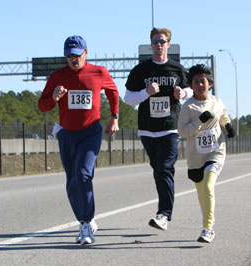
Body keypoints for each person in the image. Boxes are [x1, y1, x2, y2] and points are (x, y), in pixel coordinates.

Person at [38, 35, 119, 245]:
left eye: (76, 55)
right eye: (69, 56)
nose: (73, 60)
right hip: (67, 134)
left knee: (83, 174)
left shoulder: (99, 72)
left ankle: (85, 223)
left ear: (85, 53)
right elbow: (42, 105)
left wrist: (114, 118)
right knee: (72, 182)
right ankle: (86, 219)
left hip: (91, 132)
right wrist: (54, 97)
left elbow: (112, 92)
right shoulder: (57, 76)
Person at [124, 28, 192, 230]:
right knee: (158, 170)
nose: (159, 45)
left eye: (162, 41)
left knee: (164, 169)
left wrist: (183, 93)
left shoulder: (178, 69)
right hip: (147, 129)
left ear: (168, 44)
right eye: (155, 42)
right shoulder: (141, 70)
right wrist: (146, 92)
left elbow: (192, 90)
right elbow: (128, 98)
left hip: (170, 128)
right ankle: (164, 209)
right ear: (151, 44)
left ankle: (163, 214)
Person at [178, 64, 235, 243]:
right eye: (196, 82)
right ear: (191, 85)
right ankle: (208, 221)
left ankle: (207, 228)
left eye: (203, 81)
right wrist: (199, 122)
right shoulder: (188, 107)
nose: (200, 85)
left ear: (209, 83)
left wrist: (228, 125)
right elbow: (182, 132)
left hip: (216, 151)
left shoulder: (217, 101)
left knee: (209, 186)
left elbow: (223, 115)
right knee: (202, 194)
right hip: (196, 157)